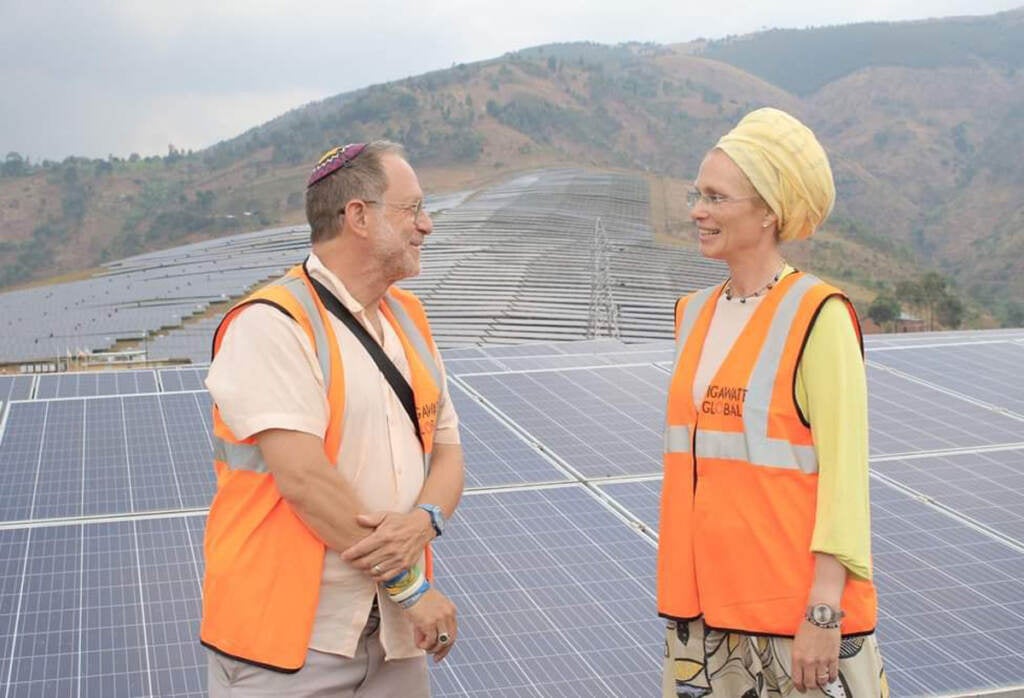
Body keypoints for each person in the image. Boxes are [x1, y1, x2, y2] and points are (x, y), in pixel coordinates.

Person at [201, 140, 465, 697]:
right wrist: (413, 589)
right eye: (413, 208)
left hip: (393, 641)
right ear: (358, 217)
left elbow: (447, 450)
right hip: (289, 647)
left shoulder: (409, 318)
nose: (428, 226)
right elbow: (305, 482)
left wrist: (424, 522)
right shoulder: (272, 323)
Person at [659, 108, 888, 697]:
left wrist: (823, 613)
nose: (696, 211)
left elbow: (845, 476)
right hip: (703, 621)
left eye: (716, 197)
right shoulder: (693, 314)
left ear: (768, 212)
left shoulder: (820, 316)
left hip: (795, 622)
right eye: (697, 193)